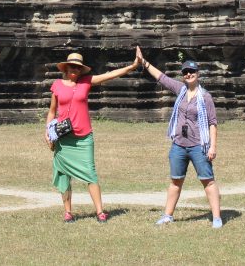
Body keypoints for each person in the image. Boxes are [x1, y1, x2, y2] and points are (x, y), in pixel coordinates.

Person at [45, 51, 139, 223]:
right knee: (63, 174)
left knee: (90, 173)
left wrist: (132, 66)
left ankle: (100, 211)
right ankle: (68, 212)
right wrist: (47, 133)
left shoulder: (86, 82)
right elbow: (52, 112)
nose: (75, 70)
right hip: (63, 137)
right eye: (72, 66)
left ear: (82, 70)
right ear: (66, 68)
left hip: (84, 137)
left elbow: (109, 75)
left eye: (78, 68)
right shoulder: (57, 85)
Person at [135, 46, 222, 229]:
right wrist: (144, 62)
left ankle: (216, 217)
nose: (189, 74)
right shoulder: (180, 89)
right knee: (176, 180)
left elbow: (212, 123)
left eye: (192, 71)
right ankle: (168, 215)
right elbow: (161, 77)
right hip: (179, 145)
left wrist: (213, 147)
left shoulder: (205, 97)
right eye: (186, 72)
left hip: (199, 145)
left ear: (198, 74)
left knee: (207, 180)